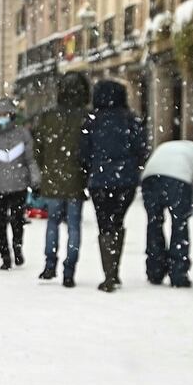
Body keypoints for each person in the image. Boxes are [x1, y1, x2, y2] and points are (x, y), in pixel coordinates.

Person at [78, 79, 150, 292]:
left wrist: (92, 167)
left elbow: (84, 153)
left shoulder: (92, 121)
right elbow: (141, 148)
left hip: (99, 180)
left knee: (104, 224)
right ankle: (114, 269)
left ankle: (109, 274)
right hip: (125, 180)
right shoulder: (131, 120)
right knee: (117, 221)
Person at [30, 73, 91, 286]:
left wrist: (46, 168)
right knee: (74, 225)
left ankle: (49, 264)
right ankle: (69, 270)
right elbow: (89, 150)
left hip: (53, 178)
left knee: (53, 222)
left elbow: (37, 149)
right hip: (75, 179)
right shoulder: (86, 117)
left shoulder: (47, 117)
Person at [140, 137, 193, 288]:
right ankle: (178, 273)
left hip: (150, 177)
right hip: (177, 180)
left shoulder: (167, 145)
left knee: (154, 223)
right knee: (179, 224)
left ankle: (155, 269)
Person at [0, 99, 40, 271]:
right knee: (0, 223)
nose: (2, 118)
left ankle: (17, 247)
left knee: (17, 221)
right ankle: (5, 256)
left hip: (19, 186)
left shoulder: (22, 135)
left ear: (12, 116)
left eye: (6, 115)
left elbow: (30, 160)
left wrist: (35, 181)